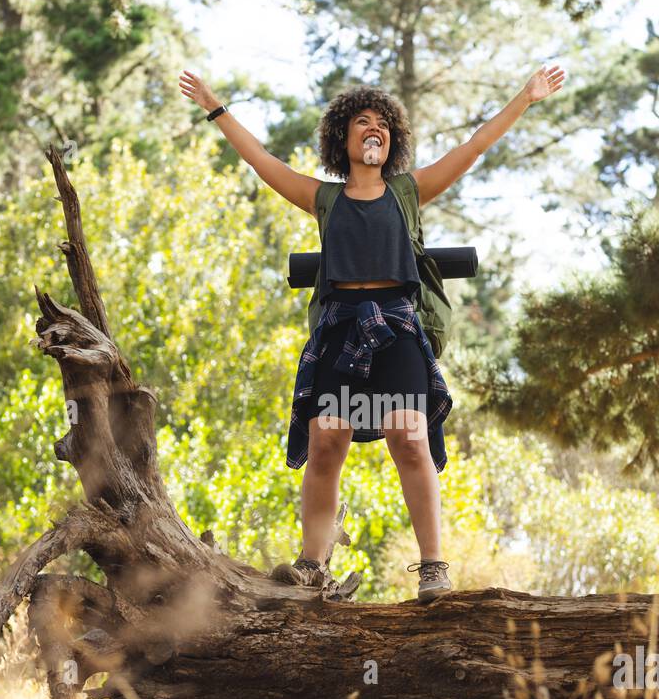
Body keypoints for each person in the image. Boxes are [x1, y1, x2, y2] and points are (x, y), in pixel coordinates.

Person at [179, 65, 565, 601]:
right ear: (345, 138)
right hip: (340, 327)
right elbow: (262, 161)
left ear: (393, 141)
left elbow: (474, 147)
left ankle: (433, 567)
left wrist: (526, 97)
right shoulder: (325, 199)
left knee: (408, 438)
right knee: (327, 440)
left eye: (383, 124)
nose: (374, 129)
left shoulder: (407, 191)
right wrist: (216, 108)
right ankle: (313, 564)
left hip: (398, 326)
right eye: (363, 122)